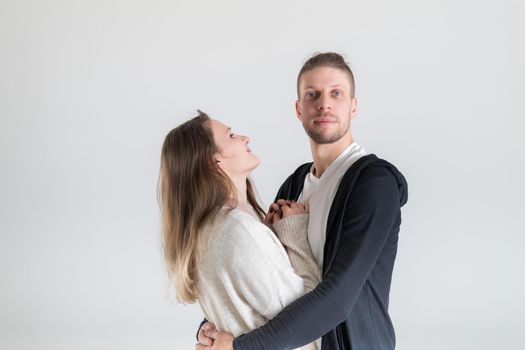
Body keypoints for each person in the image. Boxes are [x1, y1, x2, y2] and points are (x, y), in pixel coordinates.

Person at [196, 52, 408, 350]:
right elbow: (261, 273)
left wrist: (239, 347)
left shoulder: (373, 184)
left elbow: (338, 299)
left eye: (337, 93)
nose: (325, 104)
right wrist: (211, 325)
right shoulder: (294, 185)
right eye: (313, 95)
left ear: (353, 107)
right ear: (299, 109)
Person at [158, 111, 321, 350]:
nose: (246, 138)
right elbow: (308, 320)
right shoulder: (239, 232)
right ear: (215, 162)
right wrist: (295, 234)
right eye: (231, 135)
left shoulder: (208, 230)